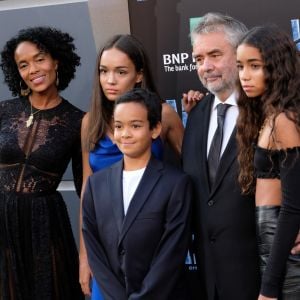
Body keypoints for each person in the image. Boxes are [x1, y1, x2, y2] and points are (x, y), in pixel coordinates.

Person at [79, 34, 184, 298]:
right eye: (104, 71)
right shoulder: (89, 122)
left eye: (120, 72)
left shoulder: (164, 115)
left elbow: (193, 173)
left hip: (152, 247)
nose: (110, 80)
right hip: (104, 250)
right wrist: (84, 256)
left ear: (138, 75)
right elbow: (86, 188)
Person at [0, 27, 84, 299]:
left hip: (45, 224)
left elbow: (86, 193)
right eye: (23, 65)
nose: (33, 69)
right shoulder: (4, 110)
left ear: (57, 60)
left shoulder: (77, 121)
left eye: (40, 59)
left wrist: (87, 256)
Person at [181, 12, 261, 300]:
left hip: (264, 277)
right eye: (199, 59)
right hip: (209, 278)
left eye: (214, 54)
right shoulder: (197, 115)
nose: (206, 66)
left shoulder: (268, 111)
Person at [236, 25, 300, 300]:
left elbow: (293, 207)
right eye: (240, 66)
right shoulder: (267, 115)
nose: (244, 76)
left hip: (284, 247)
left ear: (276, 68)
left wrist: (269, 288)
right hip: (272, 242)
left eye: (255, 66)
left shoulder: (284, 120)